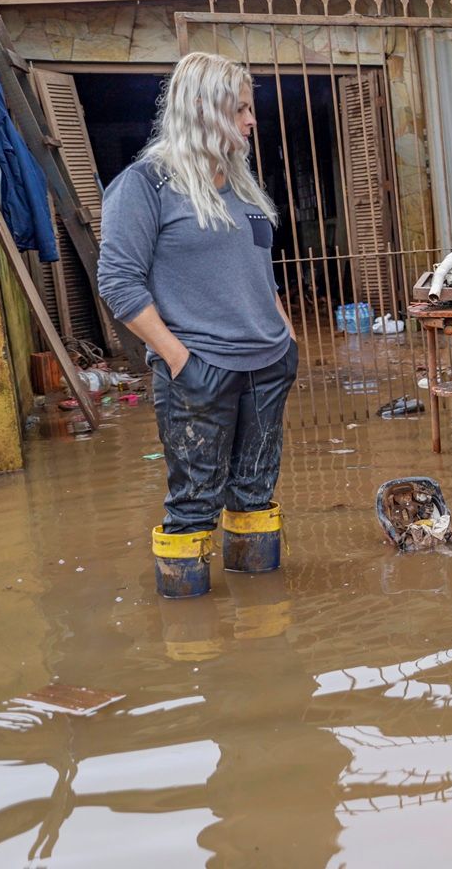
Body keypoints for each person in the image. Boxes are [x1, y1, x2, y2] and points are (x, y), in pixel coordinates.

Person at [98, 52, 297, 596]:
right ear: (202, 110)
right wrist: (181, 360)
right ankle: (194, 650)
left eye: (249, 109)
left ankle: (261, 629)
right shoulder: (146, 185)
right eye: (240, 110)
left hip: (267, 365)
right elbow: (118, 283)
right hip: (199, 372)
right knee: (193, 504)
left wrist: (286, 339)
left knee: (255, 492)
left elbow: (260, 272)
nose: (251, 121)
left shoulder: (243, 188)